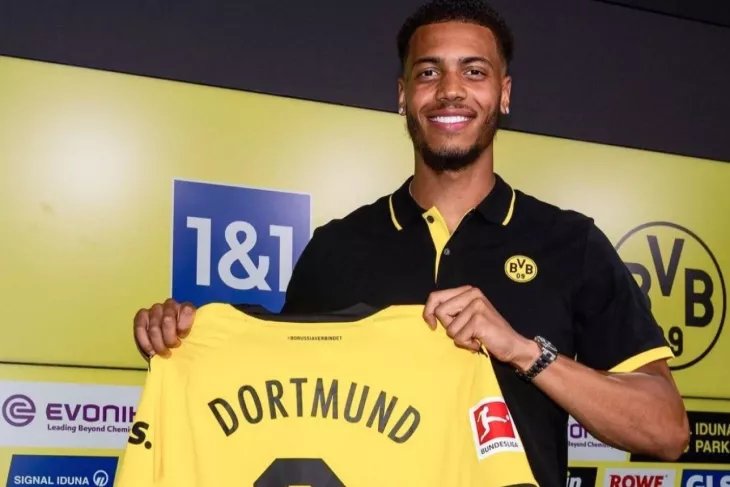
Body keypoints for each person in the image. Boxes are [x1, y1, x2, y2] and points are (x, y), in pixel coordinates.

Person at [133, 1, 689, 485]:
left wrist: (521, 350)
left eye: (474, 71)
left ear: (504, 93)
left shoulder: (571, 243)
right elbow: (279, 405)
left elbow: (667, 431)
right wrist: (182, 341)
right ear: (403, 95)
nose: (451, 90)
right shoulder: (335, 248)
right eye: (428, 72)